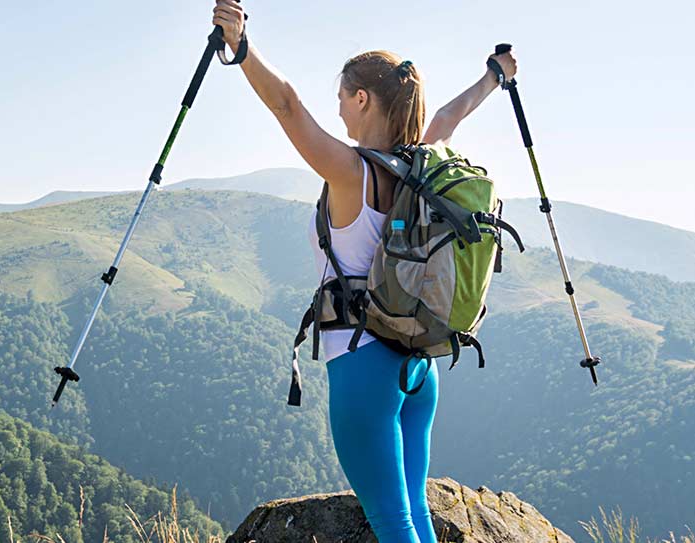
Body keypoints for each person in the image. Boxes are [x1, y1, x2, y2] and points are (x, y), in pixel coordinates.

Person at [211, 2, 516, 542]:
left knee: (393, 523)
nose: (338, 113)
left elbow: (285, 105)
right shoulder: (422, 163)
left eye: (342, 99)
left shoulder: (352, 173)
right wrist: (495, 76)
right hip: (418, 369)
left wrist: (242, 49)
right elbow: (451, 114)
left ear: (362, 98)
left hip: (363, 368)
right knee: (413, 514)